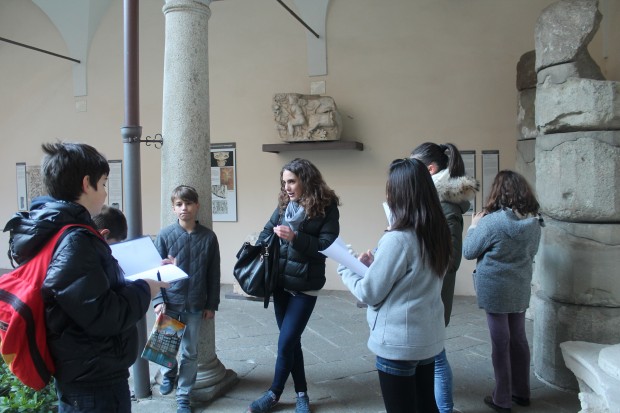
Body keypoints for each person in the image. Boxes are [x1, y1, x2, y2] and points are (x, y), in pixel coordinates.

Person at [3, 142, 167, 413]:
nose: (105, 192)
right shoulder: (76, 240)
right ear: (86, 183)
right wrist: (146, 288)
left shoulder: (62, 229)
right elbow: (104, 314)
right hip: (92, 382)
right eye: (103, 184)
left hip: (87, 372)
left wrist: (146, 271)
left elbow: (87, 290)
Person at [338, 158, 452, 413]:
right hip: (428, 337)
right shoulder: (438, 232)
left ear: (400, 194)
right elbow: (413, 277)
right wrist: (375, 265)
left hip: (399, 343)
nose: (387, 195)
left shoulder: (398, 238)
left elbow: (369, 293)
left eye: (390, 189)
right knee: (426, 406)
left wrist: (346, 267)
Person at [247, 158, 340, 413]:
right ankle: (301, 394)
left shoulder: (326, 207)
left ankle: (274, 393)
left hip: (305, 285)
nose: (287, 187)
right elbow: (267, 231)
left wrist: (296, 237)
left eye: (292, 181)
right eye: (284, 182)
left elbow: (326, 246)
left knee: (286, 341)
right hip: (281, 282)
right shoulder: (284, 205)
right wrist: (261, 246)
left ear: (306, 180)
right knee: (292, 341)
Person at [462, 170, 543, 413]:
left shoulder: (491, 222)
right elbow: (532, 253)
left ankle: (502, 399)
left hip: (495, 288)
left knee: (500, 342)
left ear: (498, 192)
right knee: (518, 338)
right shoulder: (534, 224)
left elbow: (468, 251)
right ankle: (522, 392)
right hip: (519, 285)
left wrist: (473, 226)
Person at [410, 142, 478, 413]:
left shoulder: (446, 208)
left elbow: (452, 261)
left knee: (436, 358)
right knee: (428, 357)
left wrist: (414, 250)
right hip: (423, 291)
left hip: (434, 295)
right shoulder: (429, 202)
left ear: (429, 169)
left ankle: (445, 409)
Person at [153, 185, 221, 413]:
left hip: (195, 304)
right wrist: (158, 300)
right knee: (165, 349)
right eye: (179, 204)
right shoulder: (165, 235)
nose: (184, 208)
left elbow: (213, 273)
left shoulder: (208, 237)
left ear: (197, 206)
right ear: (173, 208)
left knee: (190, 353)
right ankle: (169, 373)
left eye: (189, 203)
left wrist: (211, 304)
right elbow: (156, 272)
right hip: (170, 303)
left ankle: (183, 395)